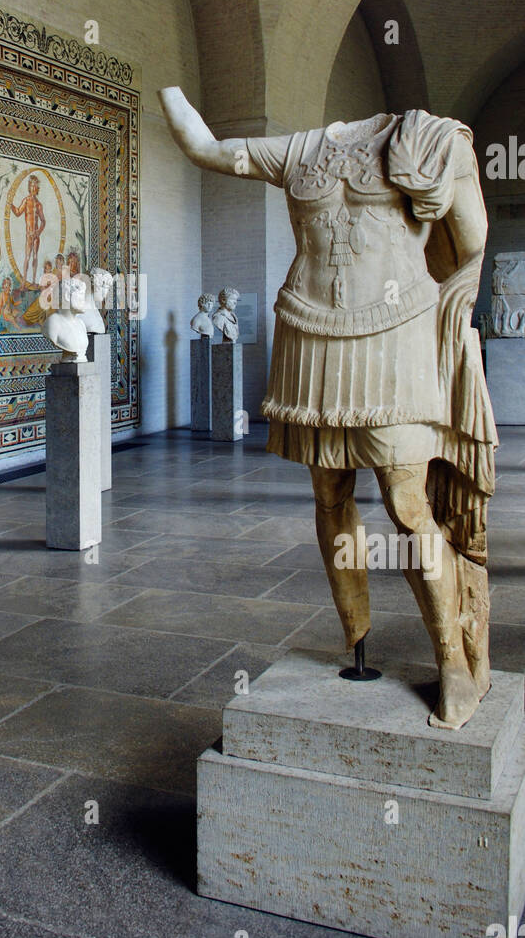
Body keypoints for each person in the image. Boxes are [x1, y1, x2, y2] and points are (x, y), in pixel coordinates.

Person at [159, 86, 497, 730]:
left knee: (406, 503)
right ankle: (356, 634)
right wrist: (170, 91)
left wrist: (456, 327)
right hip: (312, 338)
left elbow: (471, 243)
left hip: (396, 337)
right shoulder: (301, 151)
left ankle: (452, 658)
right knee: (329, 494)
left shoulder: (429, 140)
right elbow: (206, 147)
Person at [10, 174, 46, 283]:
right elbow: (17, 212)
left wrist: (38, 232)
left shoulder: (39, 204)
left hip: (36, 234)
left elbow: (43, 221)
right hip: (29, 234)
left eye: (36, 186)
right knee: (27, 257)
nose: (34, 188)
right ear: (29, 187)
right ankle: (24, 282)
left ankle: (34, 281)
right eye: (32, 186)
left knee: (35, 256)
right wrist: (10, 204)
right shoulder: (26, 201)